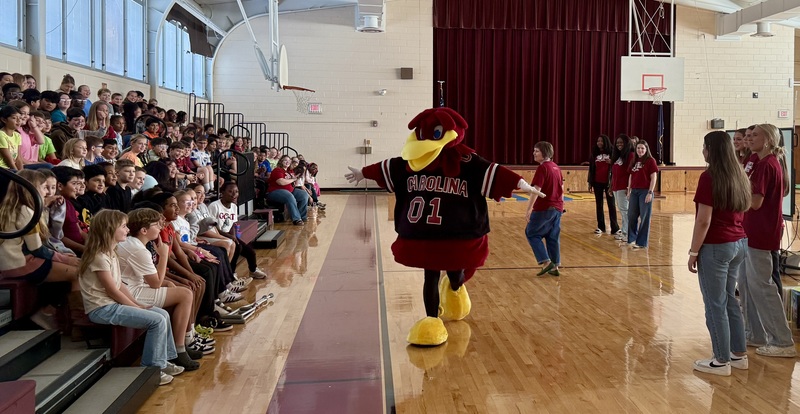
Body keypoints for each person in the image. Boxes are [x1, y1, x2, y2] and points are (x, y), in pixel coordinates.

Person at [77, 209, 186, 385]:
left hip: (112, 304)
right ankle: (151, 369)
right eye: (123, 226)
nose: (127, 230)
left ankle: (163, 360)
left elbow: (120, 284)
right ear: (110, 229)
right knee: (156, 321)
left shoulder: (111, 253)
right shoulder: (99, 256)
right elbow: (112, 291)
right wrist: (134, 307)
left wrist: (137, 303)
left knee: (162, 314)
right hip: (102, 308)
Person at [688, 131, 751, 376]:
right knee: (729, 300)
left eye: (704, 146)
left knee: (715, 304)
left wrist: (694, 251)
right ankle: (738, 354)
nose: (702, 150)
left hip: (716, 246)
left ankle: (721, 360)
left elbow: (703, 220)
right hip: (739, 243)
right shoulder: (740, 175)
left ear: (711, 150)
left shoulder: (709, 177)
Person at [117, 208, 203, 368]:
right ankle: (180, 349)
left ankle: (175, 348)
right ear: (144, 230)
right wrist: (163, 255)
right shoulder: (138, 249)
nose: (160, 228)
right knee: (185, 294)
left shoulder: (135, 244)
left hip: (134, 286)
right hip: (132, 293)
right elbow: (155, 283)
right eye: (156, 225)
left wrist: (167, 283)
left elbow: (150, 278)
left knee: (179, 291)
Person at [740, 123, 796, 358]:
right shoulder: (757, 161)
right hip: (749, 231)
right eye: (749, 135)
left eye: (755, 135)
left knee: (763, 287)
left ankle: (782, 341)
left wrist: (733, 193)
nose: (749, 138)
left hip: (761, 233)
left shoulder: (767, 164)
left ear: (769, 140)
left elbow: (755, 202)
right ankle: (756, 333)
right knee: (747, 285)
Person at [208, 182, 269, 280]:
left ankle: (253, 271)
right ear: (222, 192)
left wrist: (234, 235)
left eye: (236, 192)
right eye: (230, 191)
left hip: (228, 234)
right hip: (216, 235)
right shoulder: (214, 206)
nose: (234, 194)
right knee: (238, 248)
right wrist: (229, 237)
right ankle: (232, 273)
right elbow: (211, 227)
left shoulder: (234, 207)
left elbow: (233, 224)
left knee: (250, 252)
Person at [525, 141, 563, 276]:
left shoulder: (543, 168)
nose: (534, 153)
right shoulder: (556, 167)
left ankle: (546, 262)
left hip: (544, 208)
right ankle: (555, 266)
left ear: (545, 153)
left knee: (531, 233)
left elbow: (536, 190)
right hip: (557, 208)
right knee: (552, 236)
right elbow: (561, 189)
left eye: (537, 151)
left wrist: (529, 209)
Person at [626, 140, 658, 250]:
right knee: (631, 215)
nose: (640, 150)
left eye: (642, 148)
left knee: (644, 217)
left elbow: (653, 177)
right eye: (638, 148)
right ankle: (631, 239)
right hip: (634, 191)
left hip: (645, 191)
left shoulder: (650, 161)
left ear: (646, 149)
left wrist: (650, 192)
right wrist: (629, 190)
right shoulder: (634, 160)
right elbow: (631, 176)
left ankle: (641, 243)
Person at [588, 134, 618, 235]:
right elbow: (591, 169)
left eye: (601, 141)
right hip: (597, 182)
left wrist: (612, 162)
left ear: (606, 142)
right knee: (599, 204)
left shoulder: (612, 152)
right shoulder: (595, 153)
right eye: (598, 141)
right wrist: (590, 183)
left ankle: (615, 228)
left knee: (611, 204)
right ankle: (601, 226)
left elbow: (619, 165)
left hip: (609, 182)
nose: (599, 143)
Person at [267, 155, 309, 225]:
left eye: (289, 161)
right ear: (281, 161)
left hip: (290, 190)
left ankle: (302, 216)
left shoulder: (290, 171)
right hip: (275, 192)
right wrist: (293, 179)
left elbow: (294, 182)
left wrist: (296, 178)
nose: (287, 162)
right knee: (289, 196)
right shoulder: (277, 170)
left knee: (303, 195)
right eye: (285, 160)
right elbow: (281, 182)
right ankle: (296, 219)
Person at [611, 134, 634, 241]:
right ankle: (625, 231)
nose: (619, 145)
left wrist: (629, 187)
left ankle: (628, 233)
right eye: (618, 143)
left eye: (621, 143)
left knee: (625, 210)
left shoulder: (630, 155)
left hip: (624, 187)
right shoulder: (618, 157)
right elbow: (614, 173)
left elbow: (631, 173)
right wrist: (611, 186)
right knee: (622, 209)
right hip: (616, 187)